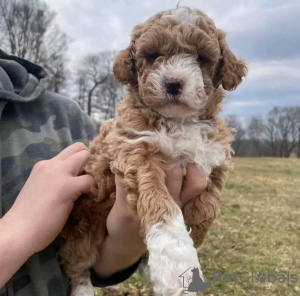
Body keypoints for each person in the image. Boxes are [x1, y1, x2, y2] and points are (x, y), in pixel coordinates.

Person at [0, 49, 207, 296]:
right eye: (152, 57)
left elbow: (97, 248)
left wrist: (126, 242)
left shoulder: (64, 115)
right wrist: (16, 232)